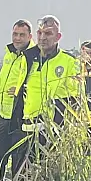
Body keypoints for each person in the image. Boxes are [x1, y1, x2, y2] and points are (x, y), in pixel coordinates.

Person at [20, 15, 83, 165]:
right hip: (26, 129)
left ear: (58, 37)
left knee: (48, 180)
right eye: (40, 33)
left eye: (48, 33)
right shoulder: (28, 58)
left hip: (52, 132)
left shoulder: (70, 62)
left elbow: (75, 100)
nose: (42, 37)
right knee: (21, 179)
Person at [0, 19, 34, 181]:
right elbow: (1, 83)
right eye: (15, 34)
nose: (18, 38)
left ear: (30, 36)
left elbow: (38, 85)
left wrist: (22, 90)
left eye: (22, 35)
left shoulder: (33, 56)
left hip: (21, 118)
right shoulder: (10, 55)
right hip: (4, 115)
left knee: (18, 165)